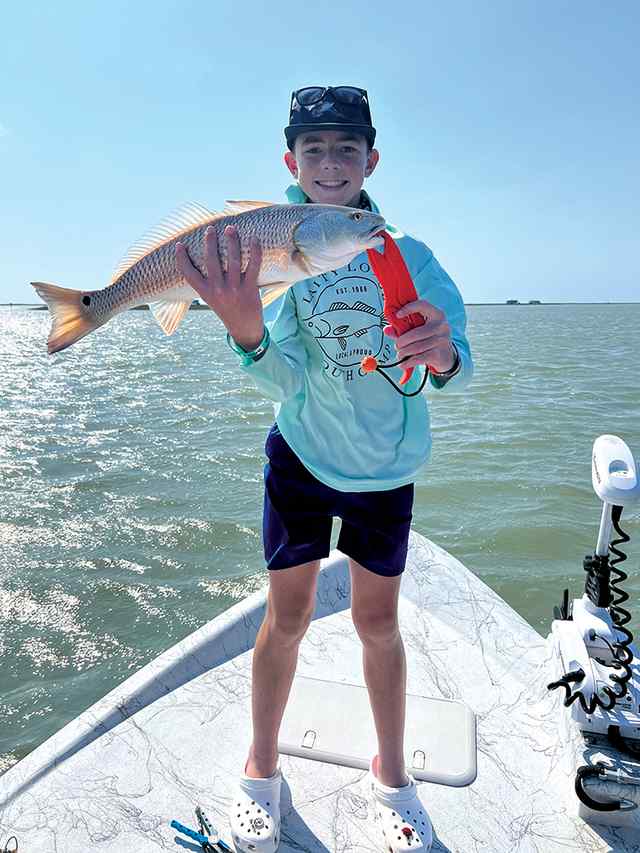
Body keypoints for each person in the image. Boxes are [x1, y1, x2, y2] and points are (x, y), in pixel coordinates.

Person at [176, 85, 473, 853]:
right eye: (315, 150)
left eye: (347, 148)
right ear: (291, 162)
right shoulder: (277, 254)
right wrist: (245, 333)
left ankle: (393, 777)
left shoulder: (409, 252)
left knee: (379, 623)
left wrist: (442, 351)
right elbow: (285, 377)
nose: (331, 162)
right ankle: (260, 767)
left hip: (385, 469)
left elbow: (455, 356)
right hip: (302, 458)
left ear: (372, 160)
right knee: (289, 618)